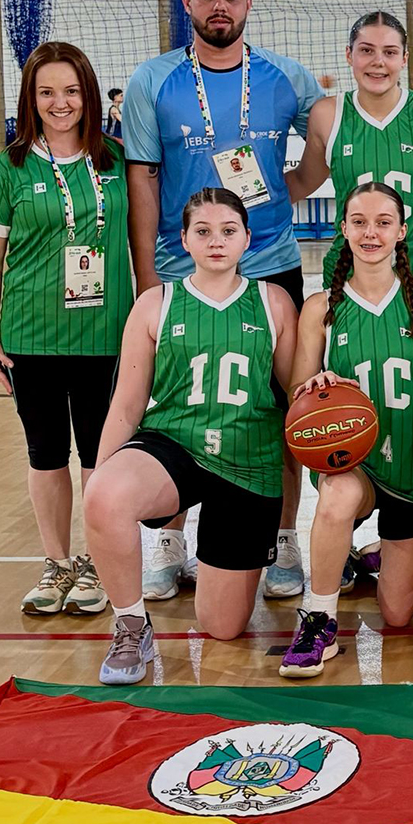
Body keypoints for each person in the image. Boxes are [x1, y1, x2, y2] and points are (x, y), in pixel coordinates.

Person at [123, 0, 322, 602]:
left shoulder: (284, 77)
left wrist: (290, 189)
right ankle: (170, 539)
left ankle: (284, 538)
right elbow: (144, 181)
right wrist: (149, 276)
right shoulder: (153, 80)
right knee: (179, 408)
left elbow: (326, 144)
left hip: (270, 266)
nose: (219, 5)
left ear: (247, 4)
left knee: (281, 410)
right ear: (187, 1)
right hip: (183, 274)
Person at [84, 188, 298, 684]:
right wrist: (100, 483)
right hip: (175, 445)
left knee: (222, 627)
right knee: (105, 494)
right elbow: (128, 403)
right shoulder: (155, 303)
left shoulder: (274, 302)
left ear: (247, 238)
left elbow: (294, 397)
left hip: (249, 460)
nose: (216, 241)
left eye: (228, 231)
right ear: (183, 240)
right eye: (203, 231)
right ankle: (132, 623)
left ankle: (217, 554)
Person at [287, 11, 413, 591]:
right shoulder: (328, 115)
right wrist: (236, 203)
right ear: (349, 54)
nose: (378, 62)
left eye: (390, 51)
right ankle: (343, 527)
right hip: (356, 283)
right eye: (366, 50)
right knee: (341, 400)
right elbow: (307, 179)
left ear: (405, 58)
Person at [0, 41, 134, 617]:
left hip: (104, 339)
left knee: (98, 458)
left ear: (88, 95)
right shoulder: (8, 167)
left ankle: (94, 564)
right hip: (30, 339)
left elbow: (141, 243)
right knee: (45, 456)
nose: (60, 103)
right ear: (31, 99)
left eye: (70, 91)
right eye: (47, 92)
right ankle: (56, 564)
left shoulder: (116, 161)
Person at [280, 183, 413, 676]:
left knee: (398, 616)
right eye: (359, 221)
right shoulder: (321, 307)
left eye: (383, 222)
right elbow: (297, 393)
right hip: (351, 460)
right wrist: (316, 386)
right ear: (343, 229)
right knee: (335, 497)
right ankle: (320, 619)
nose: (370, 232)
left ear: (402, 231)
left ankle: (361, 558)